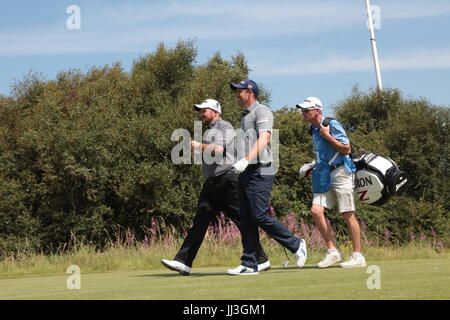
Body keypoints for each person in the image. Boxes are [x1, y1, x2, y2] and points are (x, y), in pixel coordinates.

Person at [161, 99, 270, 275]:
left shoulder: (224, 127)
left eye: (205, 110)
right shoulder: (210, 131)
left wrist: (198, 146)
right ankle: (183, 262)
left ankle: (261, 259)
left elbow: (217, 150)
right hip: (213, 182)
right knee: (200, 221)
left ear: (215, 112)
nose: (201, 113)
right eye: (200, 111)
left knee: (242, 220)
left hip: (227, 180)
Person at [227, 80, 307, 276]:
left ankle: (296, 244)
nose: (236, 94)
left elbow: (265, 138)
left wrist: (246, 160)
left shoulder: (262, 111)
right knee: (246, 219)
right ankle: (250, 263)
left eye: (239, 91)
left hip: (261, 170)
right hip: (247, 171)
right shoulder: (245, 117)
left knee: (259, 215)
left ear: (250, 92)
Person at [297, 96, 366, 268]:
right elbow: (321, 153)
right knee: (316, 210)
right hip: (323, 172)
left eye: (306, 110)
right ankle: (333, 251)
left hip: (342, 171)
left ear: (317, 111)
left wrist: (327, 136)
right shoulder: (311, 129)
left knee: (347, 213)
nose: (303, 113)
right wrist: (312, 164)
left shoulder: (331, 125)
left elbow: (346, 149)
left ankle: (358, 255)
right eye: (302, 110)